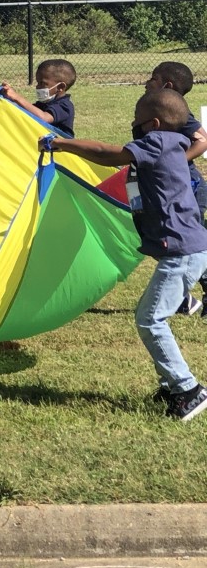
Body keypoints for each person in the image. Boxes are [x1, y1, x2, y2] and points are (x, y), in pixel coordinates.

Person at [40, 89, 207, 422]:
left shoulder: (156, 143)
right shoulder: (174, 142)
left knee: (150, 319)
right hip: (188, 249)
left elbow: (108, 153)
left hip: (182, 252)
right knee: (154, 314)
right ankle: (171, 384)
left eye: (137, 118)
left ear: (154, 123)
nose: (133, 122)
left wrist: (61, 144)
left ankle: (188, 389)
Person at [143, 63, 207, 316]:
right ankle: (183, 298)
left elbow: (202, 140)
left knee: (187, 245)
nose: (147, 82)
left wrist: (177, 162)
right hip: (162, 186)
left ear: (167, 85)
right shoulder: (152, 108)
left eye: (153, 78)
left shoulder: (174, 112)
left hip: (185, 187)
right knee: (160, 240)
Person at [0, 58, 77, 135]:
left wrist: (17, 97)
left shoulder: (64, 106)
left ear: (60, 87)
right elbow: (25, 113)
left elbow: (44, 118)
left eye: (42, 83)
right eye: (37, 83)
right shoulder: (43, 104)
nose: (37, 87)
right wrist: (8, 99)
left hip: (60, 146)